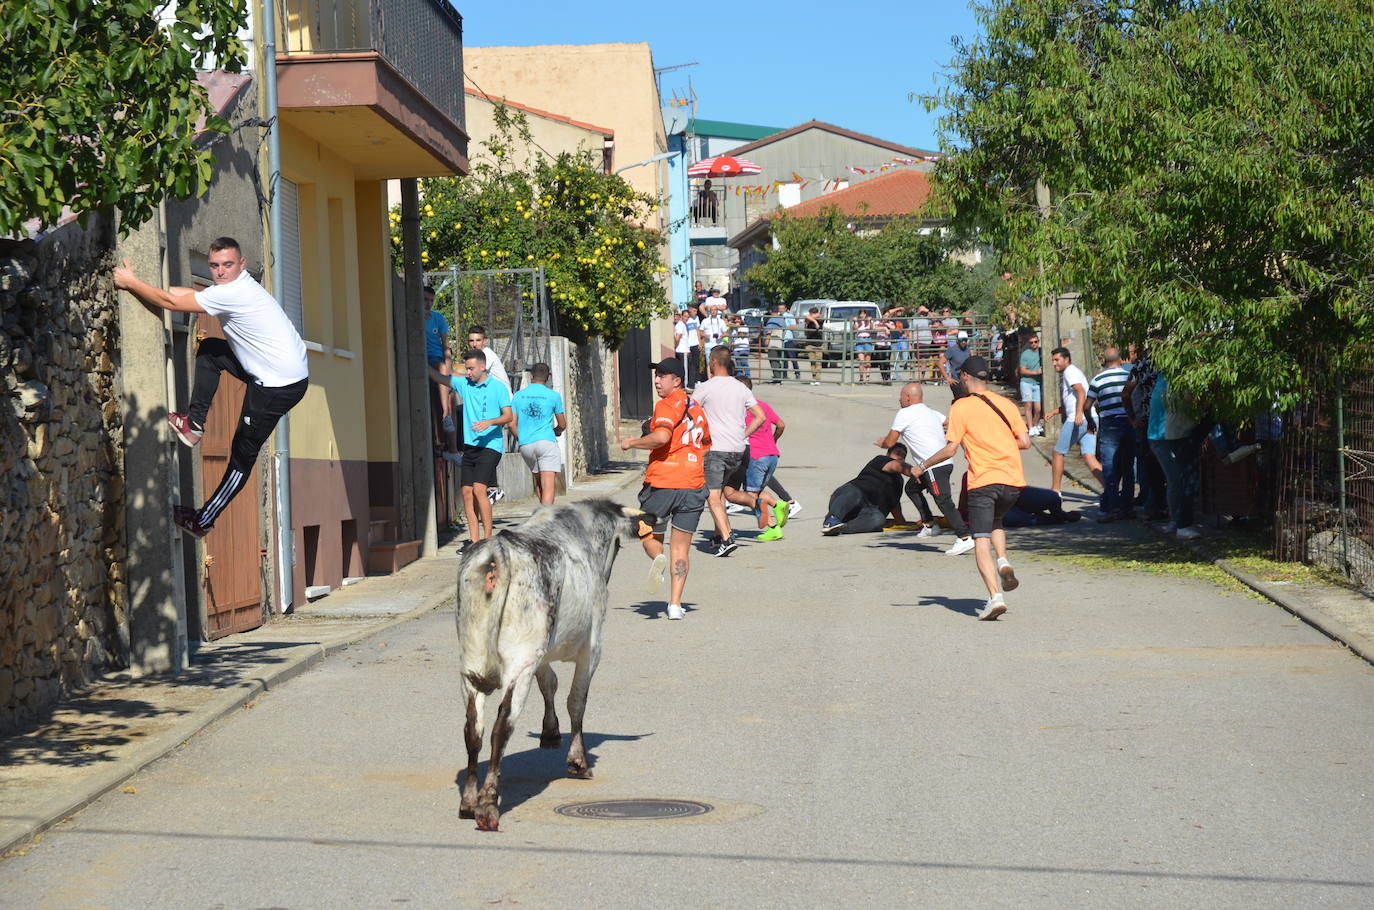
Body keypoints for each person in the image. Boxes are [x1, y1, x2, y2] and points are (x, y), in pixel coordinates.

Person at [113, 237, 309, 539]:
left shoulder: (234, 292)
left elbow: (171, 302)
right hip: (276, 370)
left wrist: (129, 283)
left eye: (227, 265)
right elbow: (182, 295)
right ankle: (193, 424)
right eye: (215, 266)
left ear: (241, 265)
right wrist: (141, 281)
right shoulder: (232, 289)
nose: (220, 271)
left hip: (277, 386)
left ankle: (203, 520)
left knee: (243, 455)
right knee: (211, 350)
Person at [913, 355, 1030, 621]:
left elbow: (951, 448)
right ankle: (1003, 561)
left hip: (984, 481)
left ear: (965, 376)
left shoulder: (961, 407)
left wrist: (923, 465)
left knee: (980, 539)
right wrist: (999, 440)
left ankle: (995, 597)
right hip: (1012, 481)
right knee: (996, 520)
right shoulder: (1007, 404)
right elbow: (1024, 442)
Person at [618, 358, 711, 620]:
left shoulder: (666, 405)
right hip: (693, 483)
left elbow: (661, 437)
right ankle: (674, 605)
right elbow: (705, 443)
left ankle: (658, 558)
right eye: (656, 376)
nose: (657, 380)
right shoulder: (697, 408)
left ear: (677, 380)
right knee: (681, 549)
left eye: (662, 376)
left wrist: (631, 443)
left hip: (663, 483)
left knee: (643, 529)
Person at [875, 383, 975, 555]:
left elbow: (890, 443)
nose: (899, 399)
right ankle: (929, 524)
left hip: (935, 466)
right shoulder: (931, 412)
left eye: (901, 396)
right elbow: (949, 422)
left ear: (908, 397)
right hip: (938, 464)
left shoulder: (904, 413)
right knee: (912, 488)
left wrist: (882, 442)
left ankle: (964, 537)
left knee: (943, 499)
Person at [693, 347, 772, 555]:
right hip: (737, 451)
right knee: (720, 496)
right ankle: (720, 535)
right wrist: (743, 434)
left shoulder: (705, 387)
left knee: (712, 496)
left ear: (713, 362)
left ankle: (727, 539)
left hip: (715, 449)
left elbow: (690, 414)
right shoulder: (741, 388)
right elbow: (761, 416)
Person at [432, 350, 513, 547]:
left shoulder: (498, 387)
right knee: (467, 492)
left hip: (490, 446)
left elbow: (508, 416)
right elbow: (440, 377)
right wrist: (423, 359)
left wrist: (490, 422)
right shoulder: (464, 384)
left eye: (471, 368)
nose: (467, 372)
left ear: (483, 367)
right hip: (470, 447)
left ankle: (488, 539)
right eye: (466, 368)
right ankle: (474, 540)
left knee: (479, 490)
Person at [820, 443, 922, 535]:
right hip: (849, 497)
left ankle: (842, 528)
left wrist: (903, 523)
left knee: (878, 520)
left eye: (903, 456)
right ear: (888, 454)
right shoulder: (881, 460)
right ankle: (831, 520)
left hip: (867, 511)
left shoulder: (898, 481)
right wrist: (913, 471)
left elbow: (894, 504)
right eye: (898, 453)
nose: (900, 457)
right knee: (854, 493)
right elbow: (896, 466)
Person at [1147, 373, 1202, 539]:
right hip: (1164, 437)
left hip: (1161, 436)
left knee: (1175, 480)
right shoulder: (1174, 381)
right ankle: (1179, 524)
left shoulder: (1164, 378)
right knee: (1177, 480)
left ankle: (1176, 522)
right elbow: (1188, 401)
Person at [732, 377, 788, 541]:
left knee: (751, 495)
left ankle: (773, 527)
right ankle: (780, 505)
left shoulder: (741, 410)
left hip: (757, 457)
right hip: (772, 455)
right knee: (756, 490)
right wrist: (774, 439)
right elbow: (781, 425)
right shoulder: (762, 405)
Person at [1086, 347, 1136, 521]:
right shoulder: (1128, 376)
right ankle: (1127, 507)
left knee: (1109, 468)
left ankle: (1113, 508)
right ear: (1120, 359)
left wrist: (1091, 422)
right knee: (1128, 467)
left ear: (1104, 361)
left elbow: (1087, 405)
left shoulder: (1097, 379)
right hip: (1130, 423)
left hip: (1109, 425)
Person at [467, 324, 511, 504]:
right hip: (493, 401)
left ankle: (493, 488)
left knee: (490, 444)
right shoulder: (478, 356)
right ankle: (493, 487)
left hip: (503, 401)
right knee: (488, 442)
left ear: (484, 341)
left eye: (478, 340)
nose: (474, 344)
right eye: (471, 340)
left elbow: (473, 374)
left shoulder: (486, 356)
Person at [510, 362, 566, 506]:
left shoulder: (518, 396)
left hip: (526, 445)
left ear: (531, 376)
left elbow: (511, 423)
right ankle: (546, 522)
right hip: (546, 443)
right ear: (548, 378)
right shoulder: (553, 396)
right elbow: (562, 424)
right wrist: (557, 431)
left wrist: (521, 438)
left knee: (538, 481)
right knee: (548, 486)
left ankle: (543, 515)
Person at [1046, 346, 1089, 500]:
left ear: (1066, 359)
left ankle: (1055, 491)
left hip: (1077, 420)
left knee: (1058, 453)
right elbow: (1072, 400)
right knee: (1089, 457)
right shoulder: (1073, 371)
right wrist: (1054, 412)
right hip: (1090, 418)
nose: (1054, 363)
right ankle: (1110, 493)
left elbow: (1081, 391)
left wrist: (1078, 414)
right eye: (1052, 360)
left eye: (1057, 360)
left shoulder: (1069, 372)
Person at [1018, 333, 1044, 436]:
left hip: (1036, 383)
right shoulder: (1025, 354)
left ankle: (1035, 424)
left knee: (1038, 408)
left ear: (1038, 342)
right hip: (1026, 383)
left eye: (1035, 342)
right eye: (1031, 342)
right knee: (1028, 406)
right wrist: (1035, 373)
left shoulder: (1042, 352)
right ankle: (1030, 427)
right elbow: (1022, 370)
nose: (1034, 344)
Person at [942, 330, 972, 395]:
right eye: (962, 340)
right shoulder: (952, 350)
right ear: (958, 340)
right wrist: (947, 378)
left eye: (965, 340)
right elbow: (940, 363)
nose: (964, 342)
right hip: (956, 382)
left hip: (966, 382)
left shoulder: (968, 349)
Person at [802, 306, 824, 385]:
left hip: (818, 344)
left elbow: (821, 317)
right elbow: (806, 317)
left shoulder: (821, 319)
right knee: (812, 362)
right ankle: (814, 378)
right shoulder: (810, 319)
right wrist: (814, 321)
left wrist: (815, 319)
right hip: (809, 343)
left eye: (813, 313)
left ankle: (817, 379)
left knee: (818, 362)